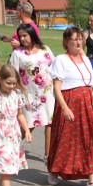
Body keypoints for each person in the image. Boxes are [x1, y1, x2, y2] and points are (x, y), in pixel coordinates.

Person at [47, 27, 93, 186]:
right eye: (74, 40)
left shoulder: (86, 60)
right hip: (68, 102)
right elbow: (56, 89)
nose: (78, 42)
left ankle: (92, 181)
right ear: (65, 43)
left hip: (85, 104)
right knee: (64, 140)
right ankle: (55, 170)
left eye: (80, 39)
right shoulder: (61, 60)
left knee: (89, 139)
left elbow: (91, 82)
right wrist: (65, 108)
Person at [9, 23, 55, 163]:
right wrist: (15, 93)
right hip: (29, 95)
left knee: (50, 123)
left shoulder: (45, 49)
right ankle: (12, 148)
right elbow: (13, 74)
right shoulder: (18, 54)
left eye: (25, 35)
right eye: (20, 36)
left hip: (48, 94)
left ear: (32, 35)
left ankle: (48, 155)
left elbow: (55, 66)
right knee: (28, 124)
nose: (22, 39)